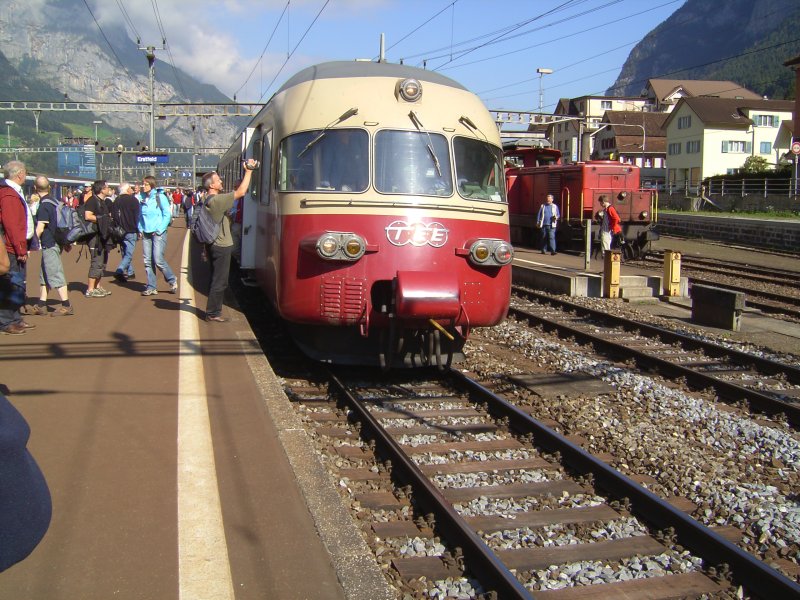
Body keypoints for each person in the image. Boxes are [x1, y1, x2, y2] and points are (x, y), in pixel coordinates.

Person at [200, 160, 256, 322]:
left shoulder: (208, 200)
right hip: (221, 245)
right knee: (220, 281)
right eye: (218, 181)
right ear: (211, 186)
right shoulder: (217, 200)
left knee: (216, 278)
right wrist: (249, 171)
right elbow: (241, 192)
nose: (221, 182)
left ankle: (213, 311)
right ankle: (213, 313)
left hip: (213, 244)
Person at [0, 160, 36, 335]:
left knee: (18, 284)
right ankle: (7, 321)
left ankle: (15, 318)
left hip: (15, 246)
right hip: (11, 248)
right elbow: (12, 225)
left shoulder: (13, 192)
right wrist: (20, 249)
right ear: (20, 174)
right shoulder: (9, 194)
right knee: (10, 284)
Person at [30, 176, 73, 316]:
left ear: (35, 188)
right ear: (49, 187)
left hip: (50, 243)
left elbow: (40, 228)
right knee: (44, 273)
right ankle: (41, 304)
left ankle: (66, 305)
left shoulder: (44, 205)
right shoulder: (55, 201)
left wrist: (31, 245)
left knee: (55, 273)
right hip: (57, 241)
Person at [138, 175, 177, 296]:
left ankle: (171, 279)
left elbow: (167, 215)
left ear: (151, 185)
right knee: (147, 261)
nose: (143, 186)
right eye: (142, 184)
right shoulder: (142, 198)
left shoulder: (160, 197)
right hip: (146, 232)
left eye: (145, 184)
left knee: (158, 259)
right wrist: (140, 228)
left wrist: (160, 229)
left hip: (158, 232)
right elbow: (140, 216)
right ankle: (151, 286)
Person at [83, 180, 114, 298]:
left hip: (103, 235)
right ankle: (90, 289)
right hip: (94, 236)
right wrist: (102, 219)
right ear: (102, 189)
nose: (109, 188)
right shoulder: (92, 201)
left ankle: (97, 286)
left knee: (103, 262)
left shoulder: (103, 201)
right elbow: (88, 216)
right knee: (96, 261)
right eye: (107, 187)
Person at [111, 183, 140, 282]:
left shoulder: (116, 200)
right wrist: (138, 229)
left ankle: (131, 272)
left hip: (120, 231)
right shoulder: (134, 200)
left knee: (125, 252)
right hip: (131, 229)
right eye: (130, 188)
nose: (132, 189)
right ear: (127, 190)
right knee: (129, 253)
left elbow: (114, 215)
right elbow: (137, 216)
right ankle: (119, 270)